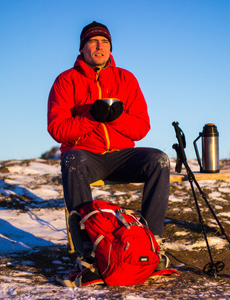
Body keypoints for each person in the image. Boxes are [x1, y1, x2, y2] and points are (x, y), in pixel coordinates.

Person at [47, 21, 171, 286]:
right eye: (93, 42)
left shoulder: (125, 78)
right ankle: (88, 252)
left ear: (110, 48)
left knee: (158, 160)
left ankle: (150, 243)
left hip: (121, 155)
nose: (99, 46)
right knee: (72, 161)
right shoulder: (66, 80)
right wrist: (92, 116)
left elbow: (141, 127)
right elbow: (57, 129)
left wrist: (116, 118)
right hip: (86, 155)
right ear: (82, 48)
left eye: (104, 42)